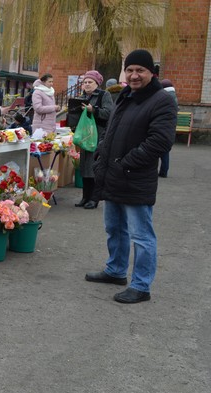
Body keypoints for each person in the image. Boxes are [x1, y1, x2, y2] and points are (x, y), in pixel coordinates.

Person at [86, 49, 178, 304]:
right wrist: (102, 152)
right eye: (130, 70)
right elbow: (112, 131)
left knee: (141, 236)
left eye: (140, 70)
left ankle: (141, 285)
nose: (134, 75)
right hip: (114, 174)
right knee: (114, 228)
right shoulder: (125, 96)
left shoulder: (162, 101)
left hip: (134, 178)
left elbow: (159, 143)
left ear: (152, 73)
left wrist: (125, 164)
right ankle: (116, 271)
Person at [71, 70, 114, 210]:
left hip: (98, 134)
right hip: (85, 135)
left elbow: (109, 113)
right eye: (85, 82)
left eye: (90, 82)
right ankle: (85, 197)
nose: (87, 84)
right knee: (84, 166)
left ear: (97, 83)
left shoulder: (104, 95)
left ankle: (94, 199)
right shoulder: (82, 97)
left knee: (94, 167)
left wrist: (93, 110)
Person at [158, 79, 178, 177]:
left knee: (159, 150)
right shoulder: (173, 95)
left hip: (162, 127)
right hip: (170, 127)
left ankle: (162, 172)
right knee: (165, 151)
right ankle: (164, 171)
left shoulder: (165, 97)